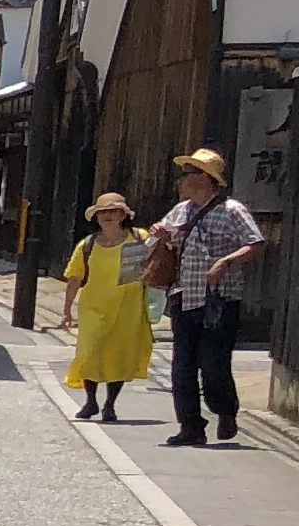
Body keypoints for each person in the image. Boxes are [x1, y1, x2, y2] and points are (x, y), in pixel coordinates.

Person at [152, 147, 262, 448]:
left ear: (205, 178)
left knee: (213, 364)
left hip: (219, 298)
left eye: (188, 174)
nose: (181, 181)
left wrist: (225, 262)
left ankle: (226, 411)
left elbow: (254, 243)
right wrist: (160, 233)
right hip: (183, 295)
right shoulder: (180, 211)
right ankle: (190, 426)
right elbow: (159, 239)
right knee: (182, 366)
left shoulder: (232, 210)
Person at [61, 192, 153, 421]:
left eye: (113, 212)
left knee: (118, 355)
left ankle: (110, 405)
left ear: (123, 214)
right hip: (93, 307)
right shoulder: (88, 245)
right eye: (103, 213)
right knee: (89, 352)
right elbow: (74, 279)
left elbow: (160, 258)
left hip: (128, 308)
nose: (108, 217)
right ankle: (90, 401)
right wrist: (66, 311)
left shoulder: (140, 237)